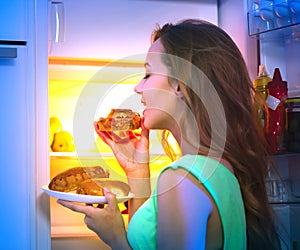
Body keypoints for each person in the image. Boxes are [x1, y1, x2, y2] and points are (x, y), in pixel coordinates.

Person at [58, 19, 282, 249]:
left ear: (179, 85)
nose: (138, 88)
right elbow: (144, 242)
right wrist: (137, 170)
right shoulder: (221, 168)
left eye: (147, 75)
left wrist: (116, 238)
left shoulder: (181, 179)